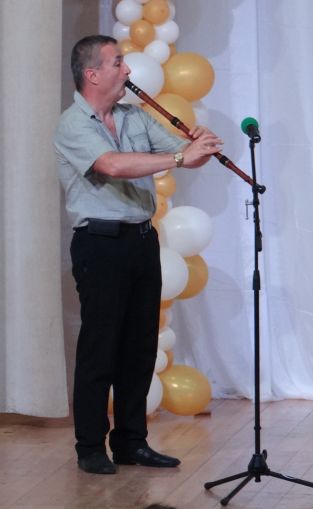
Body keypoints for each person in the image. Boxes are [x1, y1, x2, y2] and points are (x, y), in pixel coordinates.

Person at [54, 35, 223, 474]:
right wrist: (181, 158)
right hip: (100, 244)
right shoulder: (73, 124)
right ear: (92, 74)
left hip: (142, 241)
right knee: (100, 348)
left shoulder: (134, 116)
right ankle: (90, 447)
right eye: (118, 63)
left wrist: (199, 147)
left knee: (139, 347)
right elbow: (112, 165)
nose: (127, 70)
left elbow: (181, 154)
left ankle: (131, 442)